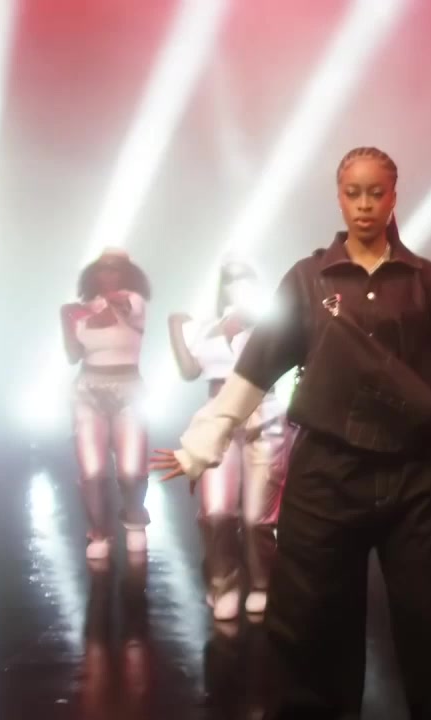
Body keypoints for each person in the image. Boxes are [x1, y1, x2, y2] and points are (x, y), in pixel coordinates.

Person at [151, 146, 431, 718]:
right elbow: (254, 370)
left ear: (393, 197)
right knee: (310, 626)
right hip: (326, 474)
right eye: (353, 193)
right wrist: (199, 446)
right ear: (339, 199)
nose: (364, 205)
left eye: (376, 193)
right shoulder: (308, 280)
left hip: (417, 478)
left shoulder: (424, 281)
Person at [167, 258, 288, 621]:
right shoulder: (204, 327)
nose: (237, 285)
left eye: (244, 277)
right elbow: (189, 371)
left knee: (258, 518)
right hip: (217, 423)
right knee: (216, 511)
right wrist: (175, 328)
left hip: (265, 418)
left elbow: (289, 364)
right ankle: (224, 583)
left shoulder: (273, 324)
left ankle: (264, 582)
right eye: (230, 279)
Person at [60, 247, 152, 560]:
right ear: (94, 273)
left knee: (131, 471)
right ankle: (98, 531)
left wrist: (81, 310)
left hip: (129, 390)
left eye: (115, 268)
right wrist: (66, 318)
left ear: (127, 273)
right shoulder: (80, 311)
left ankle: (135, 517)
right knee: (92, 471)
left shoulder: (134, 301)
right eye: (103, 268)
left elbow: (122, 307)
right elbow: (73, 355)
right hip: (87, 389)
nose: (108, 274)